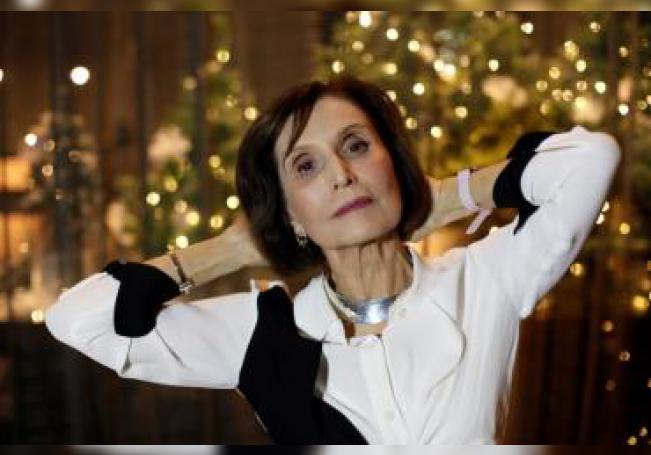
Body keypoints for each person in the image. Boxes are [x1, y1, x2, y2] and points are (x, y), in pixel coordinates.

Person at [44, 74, 621, 444]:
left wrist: (449, 196)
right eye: (306, 166)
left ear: (392, 162)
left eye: (357, 146)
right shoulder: (261, 332)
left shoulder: (485, 278)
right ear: (290, 212)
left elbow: (590, 159)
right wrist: (233, 249)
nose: (342, 175)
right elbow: (78, 319)